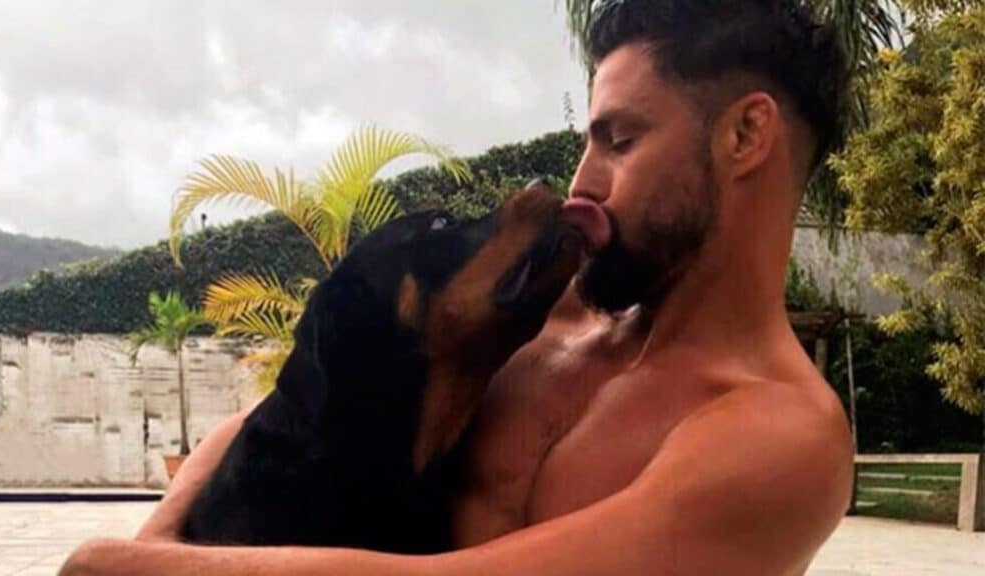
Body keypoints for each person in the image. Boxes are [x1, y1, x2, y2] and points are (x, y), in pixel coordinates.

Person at [61, 1, 854, 574]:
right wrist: (157, 542)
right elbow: (286, 417)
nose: (582, 183)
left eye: (620, 140)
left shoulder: (780, 436)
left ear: (746, 134)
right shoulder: (535, 317)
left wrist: (126, 568)